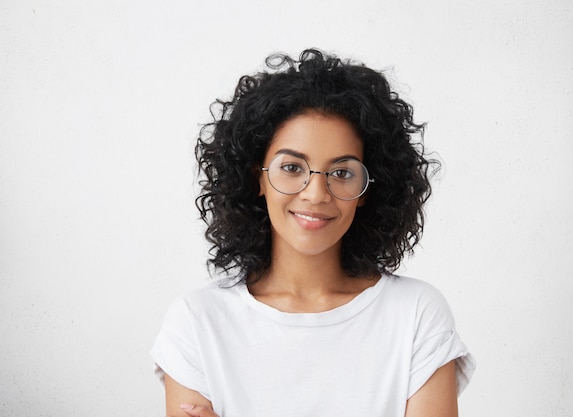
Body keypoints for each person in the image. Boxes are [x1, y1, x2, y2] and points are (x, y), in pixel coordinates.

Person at [151, 48, 475, 417]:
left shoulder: (416, 315)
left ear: (367, 190)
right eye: (292, 167)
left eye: (342, 172)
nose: (316, 194)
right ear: (256, 176)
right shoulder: (196, 322)